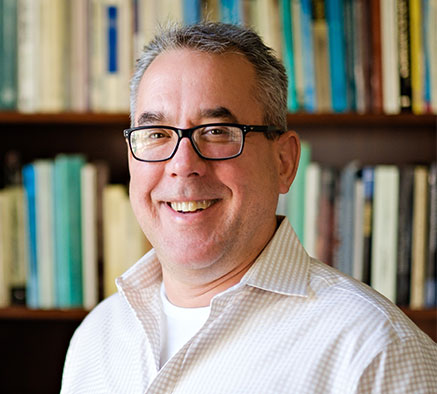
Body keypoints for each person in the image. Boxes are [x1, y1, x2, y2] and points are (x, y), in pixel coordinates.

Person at [61, 22, 437, 393]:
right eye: (157, 134)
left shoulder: (374, 349)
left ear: (284, 163)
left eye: (217, 131)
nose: (182, 164)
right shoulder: (96, 339)